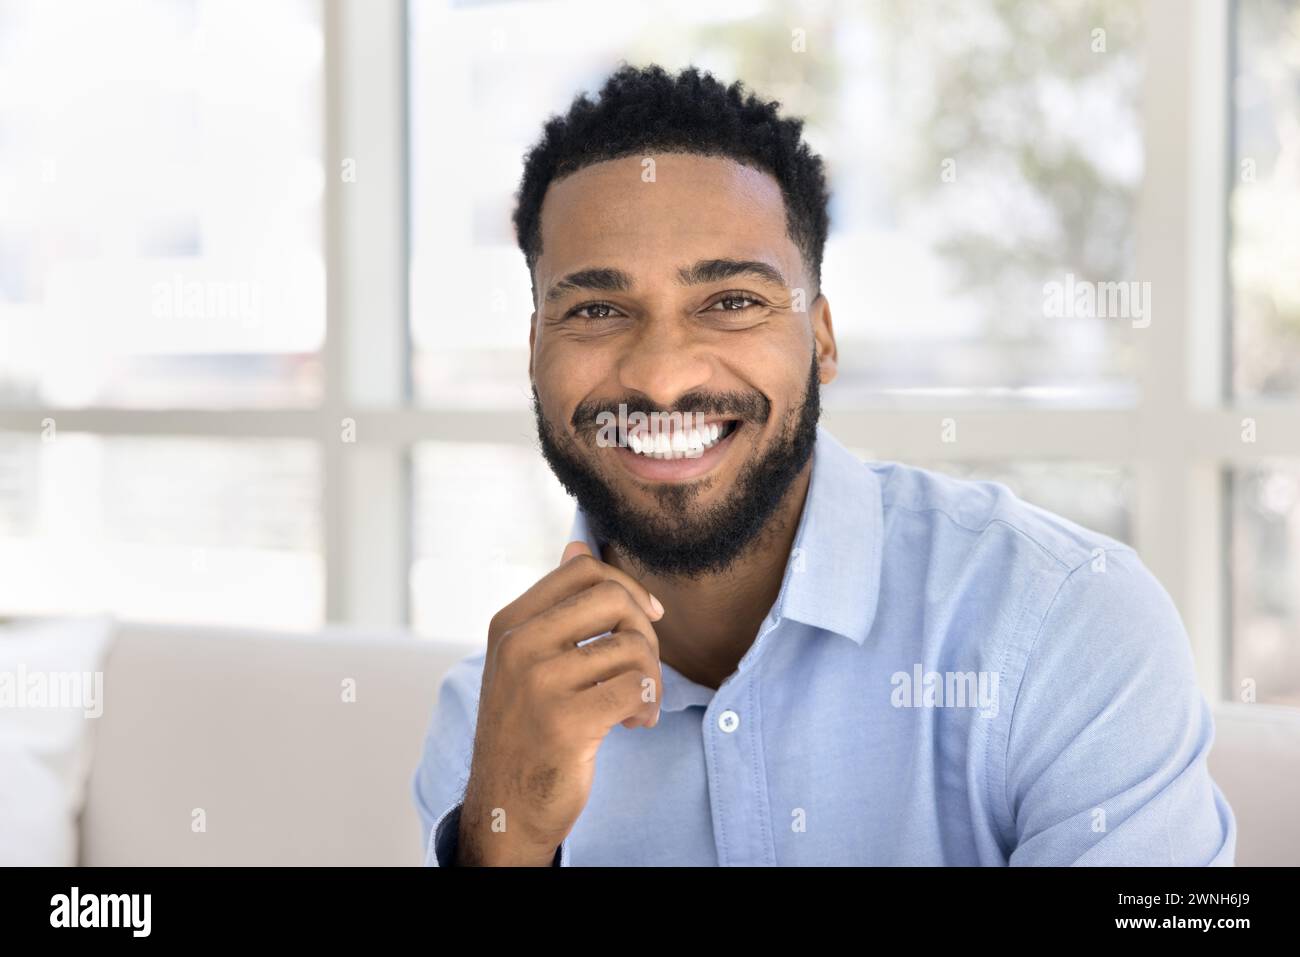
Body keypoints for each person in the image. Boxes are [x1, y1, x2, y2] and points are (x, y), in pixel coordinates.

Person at [411, 63, 1236, 866]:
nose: (661, 376)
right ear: (533, 351)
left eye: (732, 301)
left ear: (823, 339)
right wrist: (504, 848)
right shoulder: (494, 716)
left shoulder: (1069, 624)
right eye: (596, 309)